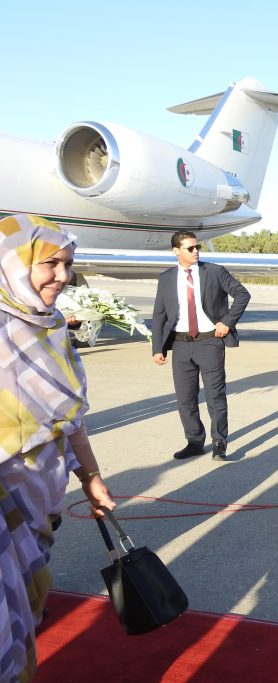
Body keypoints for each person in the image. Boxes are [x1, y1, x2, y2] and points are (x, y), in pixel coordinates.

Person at [0, 214, 116, 681]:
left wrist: (91, 476)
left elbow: (71, 417)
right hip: (5, 494)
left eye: (68, 264)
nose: (63, 276)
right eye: (50, 263)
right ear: (14, 262)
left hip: (44, 492)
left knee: (29, 600)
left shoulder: (51, 327)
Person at [151, 231, 250, 461]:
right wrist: (157, 348)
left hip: (209, 342)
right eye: (190, 248)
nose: (196, 251)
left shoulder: (214, 272)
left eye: (197, 247)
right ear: (176, 251)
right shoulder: (166, 278)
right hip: (181, 344)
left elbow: (242, 294)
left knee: (215, 396)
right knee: (185, 398)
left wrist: (227, 322)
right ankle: (195, 441)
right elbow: (159, 315)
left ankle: (219, 443)